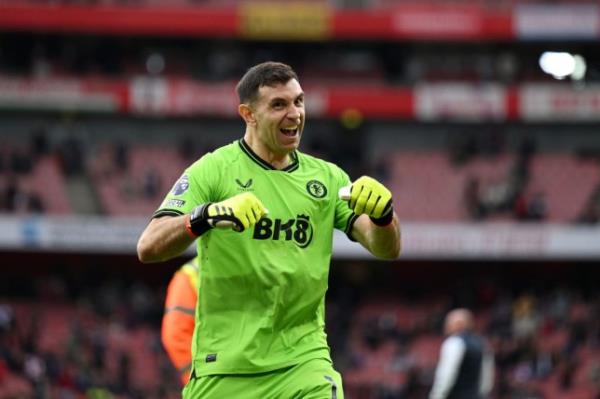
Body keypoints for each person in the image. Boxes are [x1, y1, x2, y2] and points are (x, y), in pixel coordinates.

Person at [137, 61, 401, 398]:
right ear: (249, 114)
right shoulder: (213, 171)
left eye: (298, 102)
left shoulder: (328, 178)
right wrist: (207, 215)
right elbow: (148, 245)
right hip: (226, 368)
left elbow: (386, 248)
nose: (294, 114)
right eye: (279, 104)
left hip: (303, 364)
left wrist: (383, 216)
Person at [429, 309, 494, 399]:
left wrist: (437, 396)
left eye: (449, 322)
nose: (446, 326)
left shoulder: (453, 342)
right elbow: (486, 379)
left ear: (459, 324)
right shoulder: (482, 343)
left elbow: (446, 375)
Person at [161, 257, 199, 385]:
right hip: (214, 382)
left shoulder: (190, 276)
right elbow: (176, 335)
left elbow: (175, 334)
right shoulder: (190, 276)